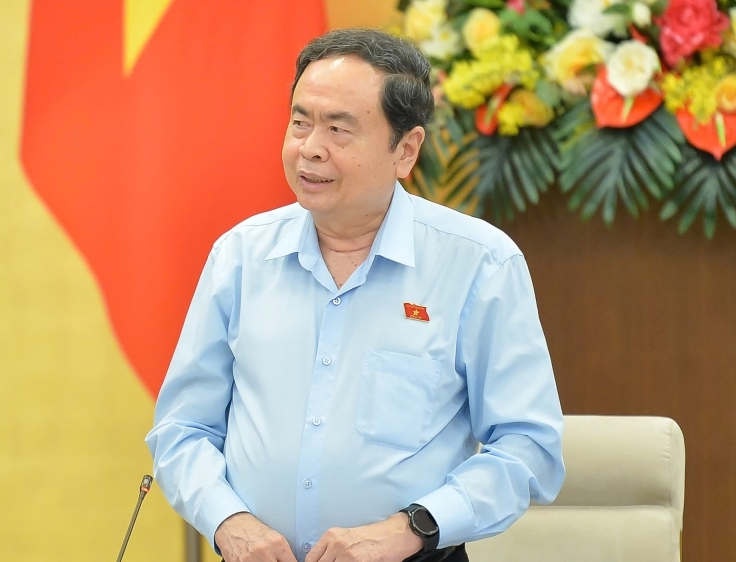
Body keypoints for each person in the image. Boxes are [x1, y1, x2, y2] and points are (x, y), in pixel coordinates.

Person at [146, 28, 565, 562]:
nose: (310, 148)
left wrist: (412, 527)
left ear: (405, 150)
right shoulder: (242, 256)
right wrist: (229, 521)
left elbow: (528, 448)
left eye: (339, 129)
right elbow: (183, 428)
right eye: (300, 122)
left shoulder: (478, 263)